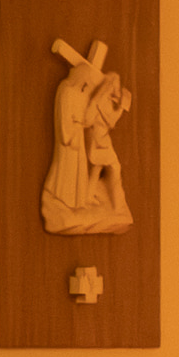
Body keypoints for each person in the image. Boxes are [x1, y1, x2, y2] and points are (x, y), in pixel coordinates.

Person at [40, 36, 133, 235]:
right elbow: (104, 120)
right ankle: (113, 206)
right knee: (110, 168)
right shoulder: (87, 98)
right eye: (114, 87)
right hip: (95, 143)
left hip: (93, 142)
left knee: (94, 170)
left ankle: (89, 197)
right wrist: (122, 108)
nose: (115, 90)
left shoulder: (94, 99)